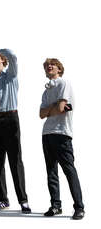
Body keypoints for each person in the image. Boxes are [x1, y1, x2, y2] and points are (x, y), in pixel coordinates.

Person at [0, 48, 31, 213]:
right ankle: (3, 199)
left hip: (11, 119)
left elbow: (14, 57)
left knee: (15, 161)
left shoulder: (11, 75)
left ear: (2, 59)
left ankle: (23, 200)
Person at [40, 58, 85, 220]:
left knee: (69, 170)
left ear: (59, 69)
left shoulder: (63, 83)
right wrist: (55, 108)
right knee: (51, 172)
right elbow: (41, 115)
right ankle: (55, 205)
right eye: (46, 65)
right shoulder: (46, 91)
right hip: (47, 134)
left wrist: (52, 109)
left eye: (53, 64)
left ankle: (79, 207)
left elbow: (60, 109)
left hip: (62, 133)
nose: (49, 66)